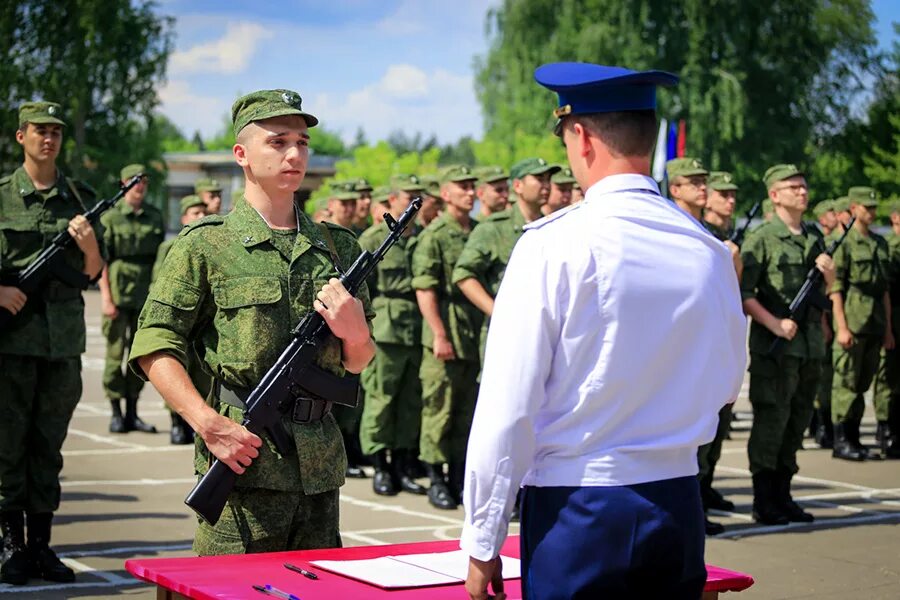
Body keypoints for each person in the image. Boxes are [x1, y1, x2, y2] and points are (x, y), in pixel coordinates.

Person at [461, 62, 747, 600]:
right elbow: (729, 382)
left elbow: (507, 406)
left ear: (582, 137)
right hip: (678, 500)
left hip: (580, 508)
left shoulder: (549, 244)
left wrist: (483, 539)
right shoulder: (706, 249)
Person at [129, 89, 375, 555]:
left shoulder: (338, 247)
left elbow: (359, 362)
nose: (294, 153)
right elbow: (154, 344)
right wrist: (206, 423)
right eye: (278, 141)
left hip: (319, 469)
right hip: (243, 463)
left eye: (302, 142)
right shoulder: (206, 245)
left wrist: (355, 330)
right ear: (241, 154)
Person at [0, 101, 104, 585]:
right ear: (21, 136)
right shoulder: (2, 196)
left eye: (57, 132)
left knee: (48, 447)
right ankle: (10, 545)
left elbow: (94, 271)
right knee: (7, 446)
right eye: (40, 131)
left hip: (61, 345)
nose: (50, 139)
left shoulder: (80, 198)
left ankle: (41, 545)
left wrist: (87, 245)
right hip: (11, 343)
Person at [741, 164, 835, 525]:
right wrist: (774, 323)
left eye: (804, 186)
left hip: (809, 345)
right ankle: (764, 500)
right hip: (774, 348)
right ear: (774, 195)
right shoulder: (761, 238)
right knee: (772, 420)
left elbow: (820, 293)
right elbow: (745, 292)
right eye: (793, 187)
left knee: (798, 420)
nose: (802, 192)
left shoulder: (813, 237)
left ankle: (784, 494)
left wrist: (829, 275)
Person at [412, 164, 482, 510]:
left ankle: (457, 476)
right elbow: (425, 289)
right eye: (463, 186)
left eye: (472, 186)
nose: (470, 192)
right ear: (446, 193)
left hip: (472, 334)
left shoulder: (478, 231)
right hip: (446, 332)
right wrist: (439, 333)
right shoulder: (435, 235)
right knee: (439, 409)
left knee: (466, 411)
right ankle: (435, 478)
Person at [358, 175, 428, 496]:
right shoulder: (375, 239)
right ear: (393, 201)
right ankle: (380, 465)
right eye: (408, 197)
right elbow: (360, 289)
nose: (414, 203)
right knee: (381, 399)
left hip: (417, 327)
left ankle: (402, 464)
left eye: (419, 196)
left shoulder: (423, 238)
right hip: (386, 329)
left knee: (410, 401)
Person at [454, 157, 559, 368]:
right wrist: (498, 313)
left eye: (548, 179)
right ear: (518, 186)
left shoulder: (554, 225)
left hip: (547, 331)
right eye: (538, 179)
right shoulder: (493, 228)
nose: (546, 185)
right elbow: (463, 275)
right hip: (509, 333)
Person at [99, 163, 164, 434]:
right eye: (134, 181)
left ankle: (133, 413)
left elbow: (161, 259)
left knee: (138, 358)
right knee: (115, 355)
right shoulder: (110, 218)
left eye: (144, 181)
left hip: (145, 295)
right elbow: (102, 260)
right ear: (123, 184)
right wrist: (106, 297)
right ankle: (116, 413)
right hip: (117, 292)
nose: (140, 186)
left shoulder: (154, 216)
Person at [829, 186, 892, 461]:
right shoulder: (845, 243)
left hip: (875, 320)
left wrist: (888, 328)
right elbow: (836, 288)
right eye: (866, 207)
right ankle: (842, 439)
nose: (871, 212)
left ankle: (855, 437)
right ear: (853, 209)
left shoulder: (880, 243)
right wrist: (841, 326)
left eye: (874, 207)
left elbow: (885, 290)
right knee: (847, 382)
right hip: (853, 317)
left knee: (864, 381)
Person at [696, 169, 741, 534]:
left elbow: (735, 291)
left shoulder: (725, 237)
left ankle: (705, 491)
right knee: (695, 431)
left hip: (720, 338)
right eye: (719, 192)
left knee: (717, 425)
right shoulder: (681, 230)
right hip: (695, 342)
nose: (728, 198)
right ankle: (693, 503)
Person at [150, 194, 208, 445]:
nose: (200, 217)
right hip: (183, 316)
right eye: (195, 213)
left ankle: (198, 424)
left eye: (203, 213)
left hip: (204, 319)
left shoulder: (213, 243)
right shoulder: (170, 246)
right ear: (184, 217)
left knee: (203, 372)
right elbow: (159, 283)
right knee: (178, 368)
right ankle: (176, 423)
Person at [873, 200, 900, 458]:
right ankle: (885, 428)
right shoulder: (889, 247)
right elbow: (886, 292)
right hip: (886, 319)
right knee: (888, 379)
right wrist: (888, 328)